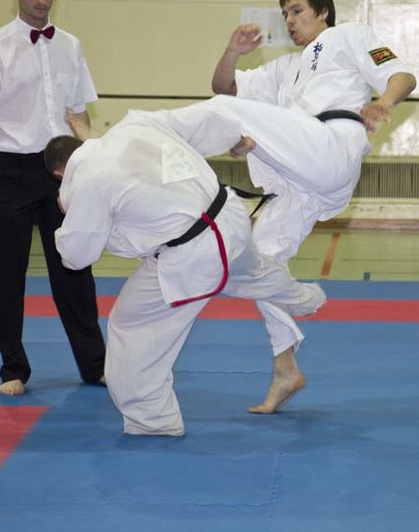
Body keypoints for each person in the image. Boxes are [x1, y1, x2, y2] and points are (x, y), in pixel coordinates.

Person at [44, 106, 326, 435]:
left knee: (131, 326)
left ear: (59, 174)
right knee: (253, 272)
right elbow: (207, 119)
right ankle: (306, 297)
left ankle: (154, 422)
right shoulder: (137, 124)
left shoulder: (86, 182)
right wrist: (234, 139)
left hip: (191, 256)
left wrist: (67, 213)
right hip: (230, 217)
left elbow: (77, 256)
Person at [209, 0, 416, 391]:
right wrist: (232, 52)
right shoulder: (284, 69)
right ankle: (286, 366)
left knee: (227, 115)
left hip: (331, 145)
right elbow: (224, 86)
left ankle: (249, 142)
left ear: (322, 12)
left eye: (297, 10)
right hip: (299, 182)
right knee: (258, 261)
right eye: (285, 13)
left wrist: (383, 102)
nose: (289, 20)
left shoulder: (348, 36)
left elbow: (403, 75)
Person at [0, 0, 106, 396]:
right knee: (8, 273)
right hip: (11, 169)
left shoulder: (70, 46)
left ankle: (95, 365)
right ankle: (13, 368)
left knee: (75, 268)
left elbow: (78, 114)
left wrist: (91, 160)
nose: (42, 0)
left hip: (61, 170)